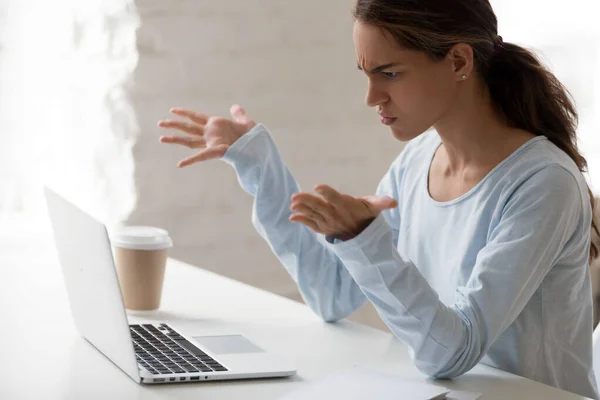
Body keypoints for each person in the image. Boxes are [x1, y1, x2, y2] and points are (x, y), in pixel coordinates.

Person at [157, 0, 599, 397]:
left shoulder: (543, 184)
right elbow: (332, 295)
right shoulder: (418, 160)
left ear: (459, 61)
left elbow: (452, 353)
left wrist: (364, 238)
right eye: (366, 74)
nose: (372, 97)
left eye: (389, 73)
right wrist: (260, 168)